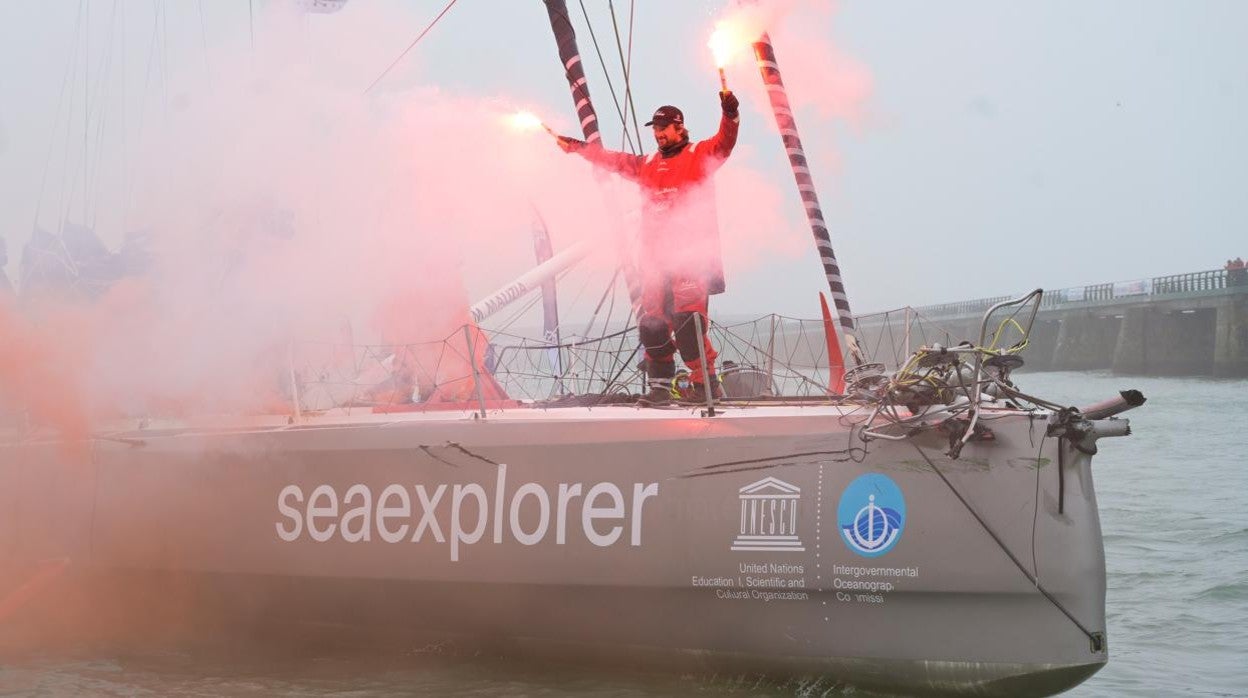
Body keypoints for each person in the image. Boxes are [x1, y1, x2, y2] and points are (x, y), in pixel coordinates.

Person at [555, 91, 740, 405]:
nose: (658, 133)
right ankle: (660, 389)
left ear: (679, 127)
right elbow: (614, 161)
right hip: (655, 260)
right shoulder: (648, 164)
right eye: (654, 128)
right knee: (652, 325)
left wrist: (729, 111)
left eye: (663, 127)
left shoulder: (699, 154)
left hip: (689, 259)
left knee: (686, 324)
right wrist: (578, 147)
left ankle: (706, 385)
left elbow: (725, 141)